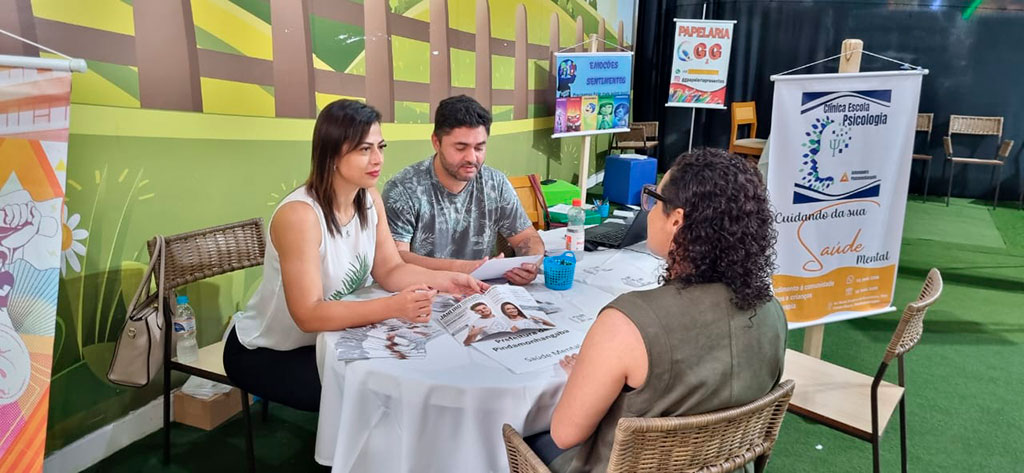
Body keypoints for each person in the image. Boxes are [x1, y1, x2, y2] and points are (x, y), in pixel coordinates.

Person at [223, 100, 487, 412]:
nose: (377, 159)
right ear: (332, 153)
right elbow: (308, 315)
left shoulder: (368, 197)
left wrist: (447, 281)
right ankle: (345, 462)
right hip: (270, 351)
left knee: (418, 369)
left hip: (333, 337)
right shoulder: (300, 216)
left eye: (380, 146)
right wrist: (392, 307)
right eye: (364, 149)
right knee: (380, 396)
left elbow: (390, 269)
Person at [542, 148, 787, 473]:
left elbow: (564, 434)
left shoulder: (628, 322)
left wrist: (583, 378)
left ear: (676, 220)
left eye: (654, 199)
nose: (650, 210)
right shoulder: (772, 312)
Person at [382, 95, 544, 285]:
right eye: (460, 148)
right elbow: (397, 258)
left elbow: (528, 238)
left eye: (479, 148)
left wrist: (530, 263)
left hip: (480, 292)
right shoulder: (403, 189)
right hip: (422, 292)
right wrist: (463, 268)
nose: (471, 158)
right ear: (436, 142)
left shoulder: (496, 183)